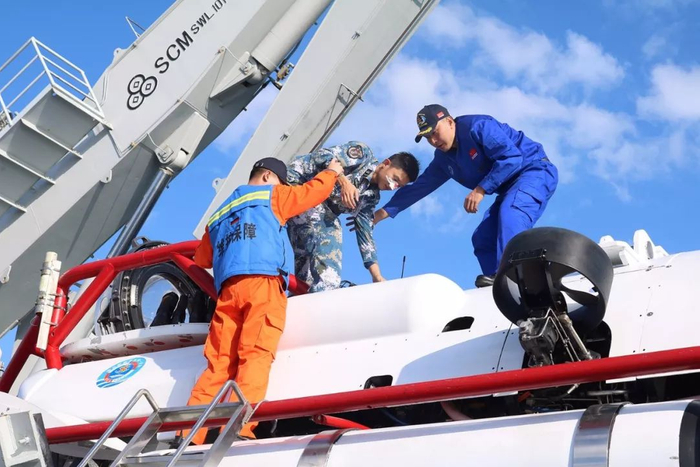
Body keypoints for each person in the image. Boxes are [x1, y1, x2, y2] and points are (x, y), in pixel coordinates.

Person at [184, 156, 343, 444]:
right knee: (255, 355)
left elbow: (202, 258)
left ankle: (187, 434)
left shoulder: (219, 214)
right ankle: (236, 429)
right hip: (263, 284)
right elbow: (312, 193)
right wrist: (332, 172)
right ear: (268, 177)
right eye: (282, 182)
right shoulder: (273, 195)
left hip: (228, 291)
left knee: (219, 363)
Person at [373, 105, 558, 287]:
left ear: (449, 122)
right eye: (428, 137)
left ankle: (518, 277)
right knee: (483, 238)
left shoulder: (478, 127)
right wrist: (380, 214)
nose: (433, 141)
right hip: (510, 187)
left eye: (435, 133)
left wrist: (480, 189)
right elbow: (419, 188)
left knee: (510, 214)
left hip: (534, 170)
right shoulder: (443, 159)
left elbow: (512, 158)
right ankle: (500, 286)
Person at [286, 142, 419, 292]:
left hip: (307, 212)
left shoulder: (370, 197)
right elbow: (322, 155)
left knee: (307, 279)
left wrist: (377, 276)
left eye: (398, 186)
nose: (393, 186)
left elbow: (365, 233)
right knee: (330, 233)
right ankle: (327, 291)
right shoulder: (362, 155)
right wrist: (343, 181)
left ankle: (302, 301)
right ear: (386, 164)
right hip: (296, 183)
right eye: (394, 179)